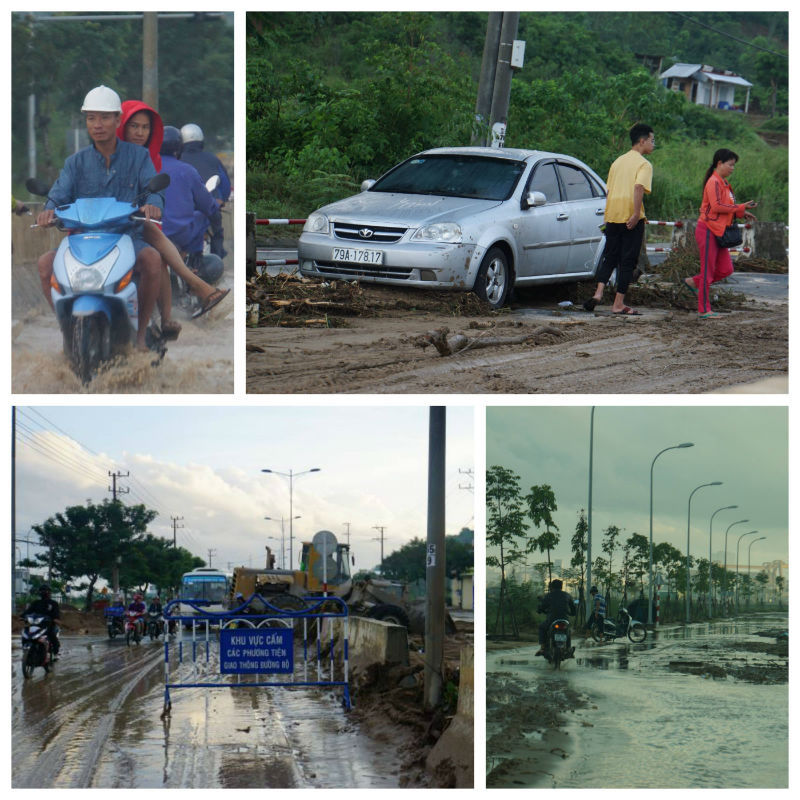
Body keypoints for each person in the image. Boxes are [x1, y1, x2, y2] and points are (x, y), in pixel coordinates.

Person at [36, 85, 163, 350]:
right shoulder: (75, 162)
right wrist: (49, 210)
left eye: (105, 117)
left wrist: (153, 204)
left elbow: (152, 188)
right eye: (91, 118)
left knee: (152, 259)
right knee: (45, 264)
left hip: (125, 238)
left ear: (118, 120)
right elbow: (59, 194)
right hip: (81, 240)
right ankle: (67, 331)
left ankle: (140, 335)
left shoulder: (138, 157)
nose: (98, 124)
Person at [117, 101, 230, 329]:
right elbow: (215, 200)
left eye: (144, 128)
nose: (139, 133)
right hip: (119, 228)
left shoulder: (149, 162)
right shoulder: (96, 159)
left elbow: (154, 193)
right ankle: (198, 286)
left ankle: (167, 318)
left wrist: (151, 204)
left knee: (156, 256)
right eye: (134, 127)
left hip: (143, 227)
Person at [584, 123, 655, 316]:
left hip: (613, 215)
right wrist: (634, 213)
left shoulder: (617, 162)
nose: (653, 144)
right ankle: (618, 304)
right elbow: (638, 187)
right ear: (642, 141)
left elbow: (609, 190)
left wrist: (608, 216)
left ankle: (598, 293)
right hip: (631, 216)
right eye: (652, 140)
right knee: (627, 261)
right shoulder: (644, 164)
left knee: (610, 256)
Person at [685, 148, 758, 319]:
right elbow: (716, 206)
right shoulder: (714, 182)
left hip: (719, 231)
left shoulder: (723, 183)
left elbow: (724, 207)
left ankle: (693, 282)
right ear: (719, 163)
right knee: (708, 272)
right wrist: (741, 207)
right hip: (708, 230)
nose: (733, 168)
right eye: (730, 165)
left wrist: (741, 212)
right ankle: (704, 310)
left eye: (734, 165)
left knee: (726, 269)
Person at [159, 126, 226, 288]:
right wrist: (216, 203)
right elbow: (211, 201)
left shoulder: (145, 167)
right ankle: (196, 262)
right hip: (178, 235)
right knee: (204, 216)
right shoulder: (189, 170)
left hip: (152, 232)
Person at [180, 123, 231, 259]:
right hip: (209, 205)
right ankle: (218, 254)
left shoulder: (178, 159)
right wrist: (222, 199)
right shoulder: (212, 159)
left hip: (183, 209)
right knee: (217, 229)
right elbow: (225, 184)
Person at [535, 578, 576, 656]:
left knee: (541, 627)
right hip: (565, 620)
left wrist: (539, 610)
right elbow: (573, 608)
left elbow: (542, 606)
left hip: (552, 620)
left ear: (552, 587)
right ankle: (568, 648)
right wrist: (572, 613)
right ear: (561, 587)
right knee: (568, 631)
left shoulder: (549, 595)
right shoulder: (567, 595)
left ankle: (542, 647)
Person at [22, 584, 61, 658]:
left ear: (49, 592)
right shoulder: (36, 603)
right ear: (39, 592)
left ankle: (56, 653)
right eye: (42, 590)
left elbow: (56, 613)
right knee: (26, 633)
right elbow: (28, 611)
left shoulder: (53, 603)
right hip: (36, 624)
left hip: (49, 625)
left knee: (52, 635)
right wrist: (22, 616)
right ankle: (26, 649)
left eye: (46, 591)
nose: (44, 592)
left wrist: (55, 619)